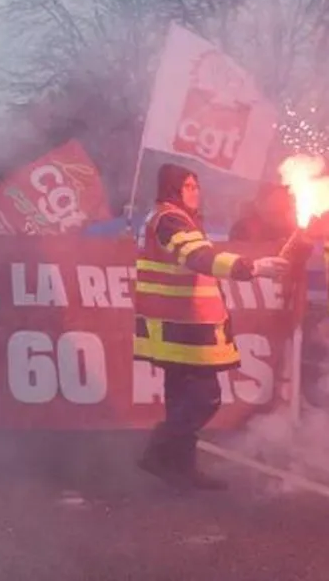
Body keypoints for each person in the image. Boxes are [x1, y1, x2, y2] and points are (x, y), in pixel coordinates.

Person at [134, 163, 290, 489]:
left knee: (181, 399)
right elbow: (198, 257)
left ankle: (181, 471)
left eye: (196, 186)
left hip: (174, 328)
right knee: (205, 398)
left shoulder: (168, 218)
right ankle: (158, 452)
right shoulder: (170, 220)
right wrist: (253, 267)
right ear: (174, 190)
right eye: (189, 186)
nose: (196, 192)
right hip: (181, 330)